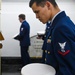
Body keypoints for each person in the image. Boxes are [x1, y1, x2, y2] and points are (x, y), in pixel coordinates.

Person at [29, 0, 75, 75]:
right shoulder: (57, 23)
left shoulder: (61, 27)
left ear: (48, 5)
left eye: (37, 12)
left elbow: (68, 70)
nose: (36, 17)